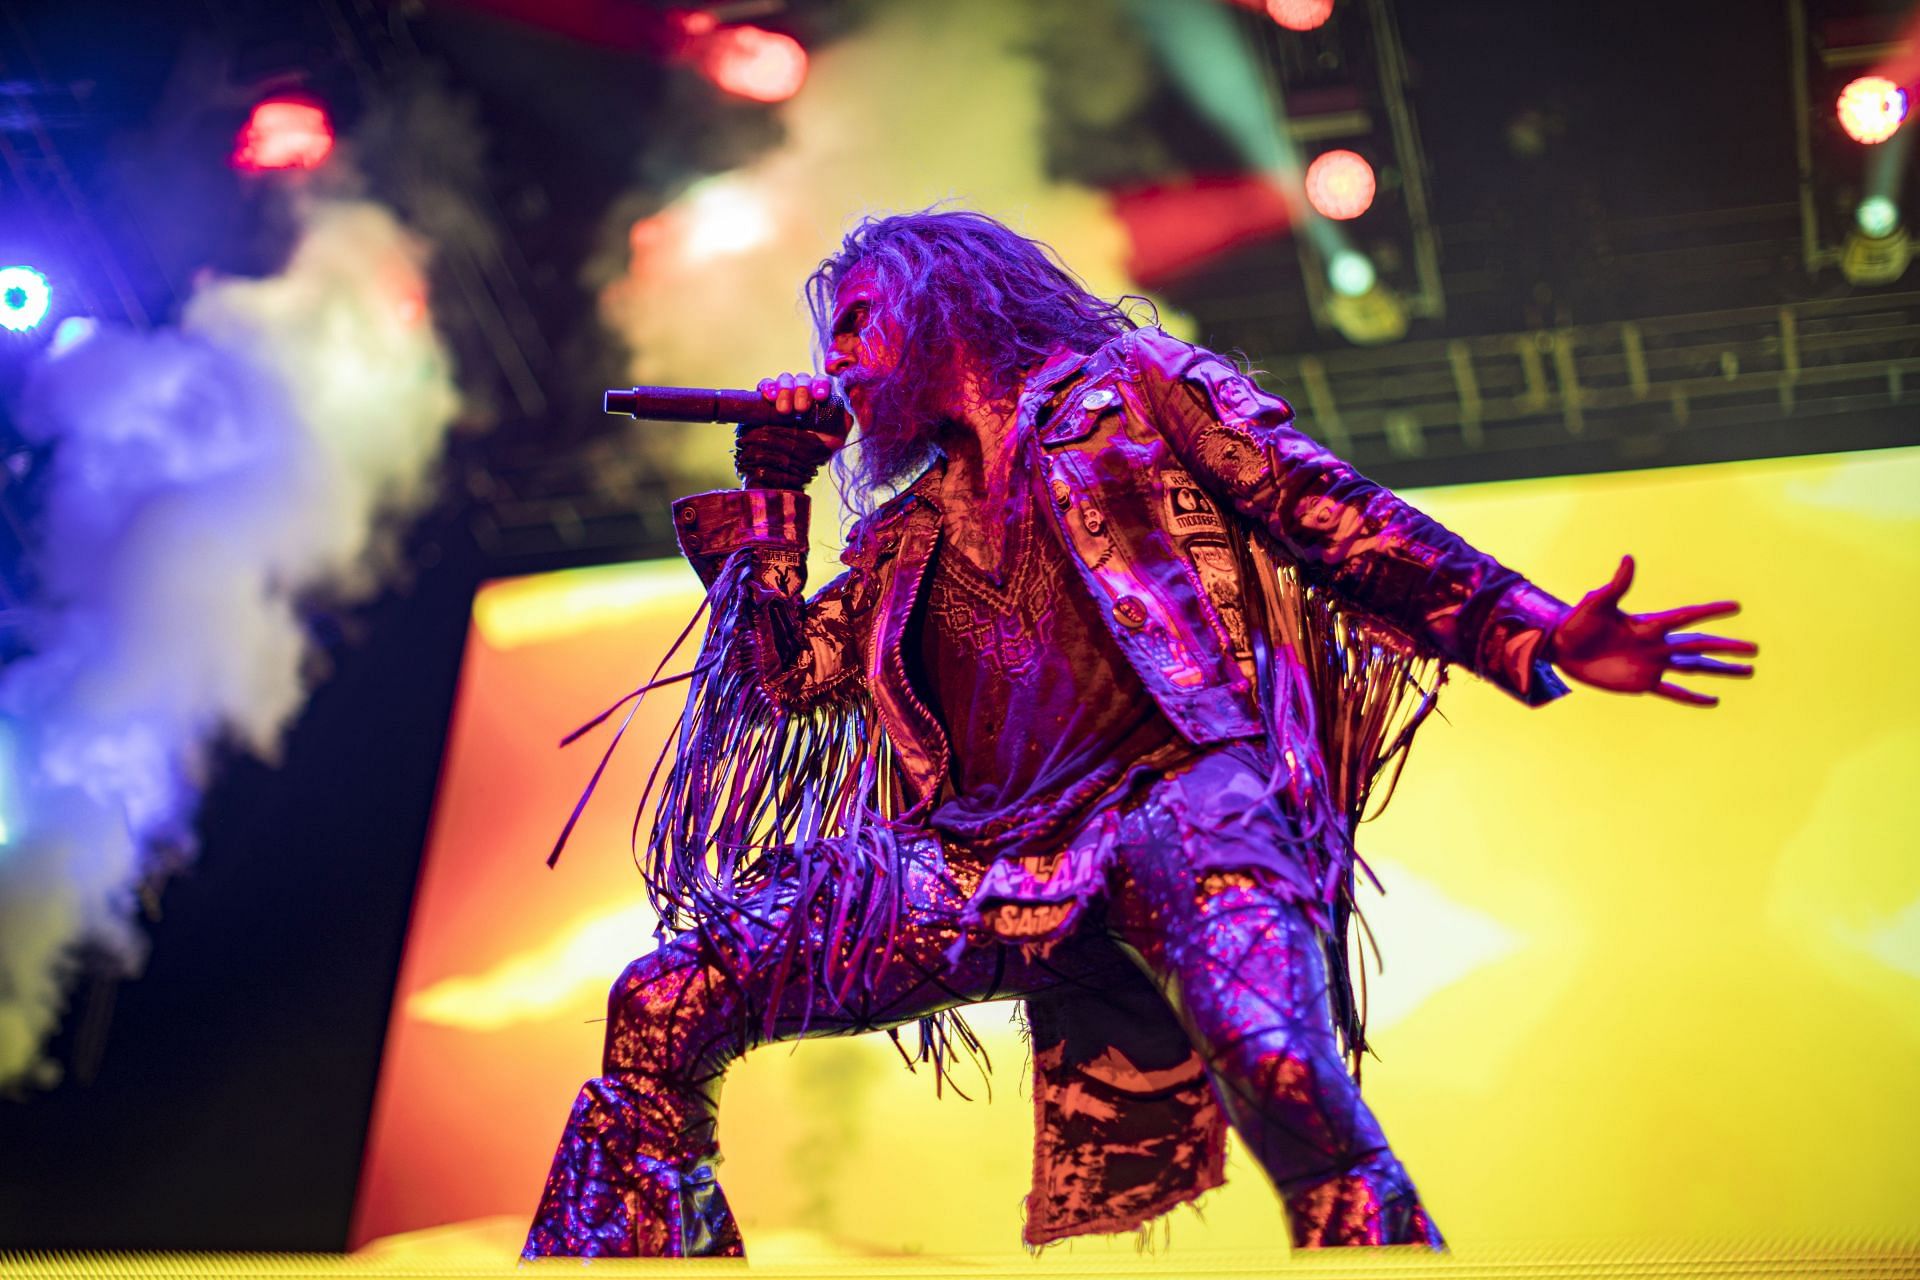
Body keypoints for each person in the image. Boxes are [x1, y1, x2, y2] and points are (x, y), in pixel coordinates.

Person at [522, 210, 1755, 1258]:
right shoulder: (897, 535)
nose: (834, 358)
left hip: (1177, 806)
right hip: (970, 864)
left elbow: (1328, 511)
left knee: (1281, 1068)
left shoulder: (1144, 391)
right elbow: (787, 681)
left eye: (854, 321)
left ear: (946, 301)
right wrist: (773, 493)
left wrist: (1531, 630)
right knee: (667, 997)